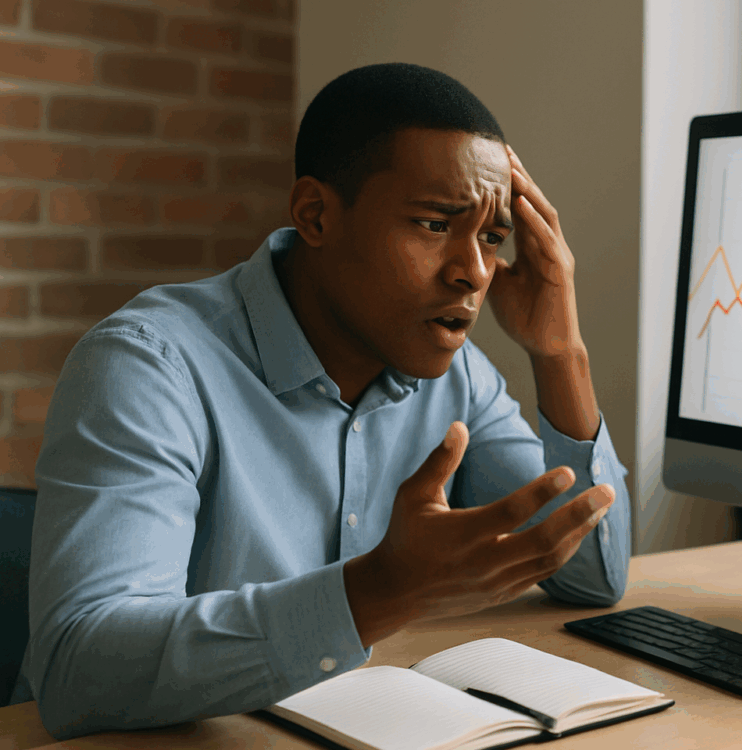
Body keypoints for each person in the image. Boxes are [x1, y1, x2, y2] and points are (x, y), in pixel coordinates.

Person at [13, 63, 632, 738]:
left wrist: (559, 352)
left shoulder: (458, 376)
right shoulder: (148, 366)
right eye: (434, 224)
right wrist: (380, 592)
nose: (474, 271)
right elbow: (80, 671)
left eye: (491, 236)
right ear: (315, 215)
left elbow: (594, 579)